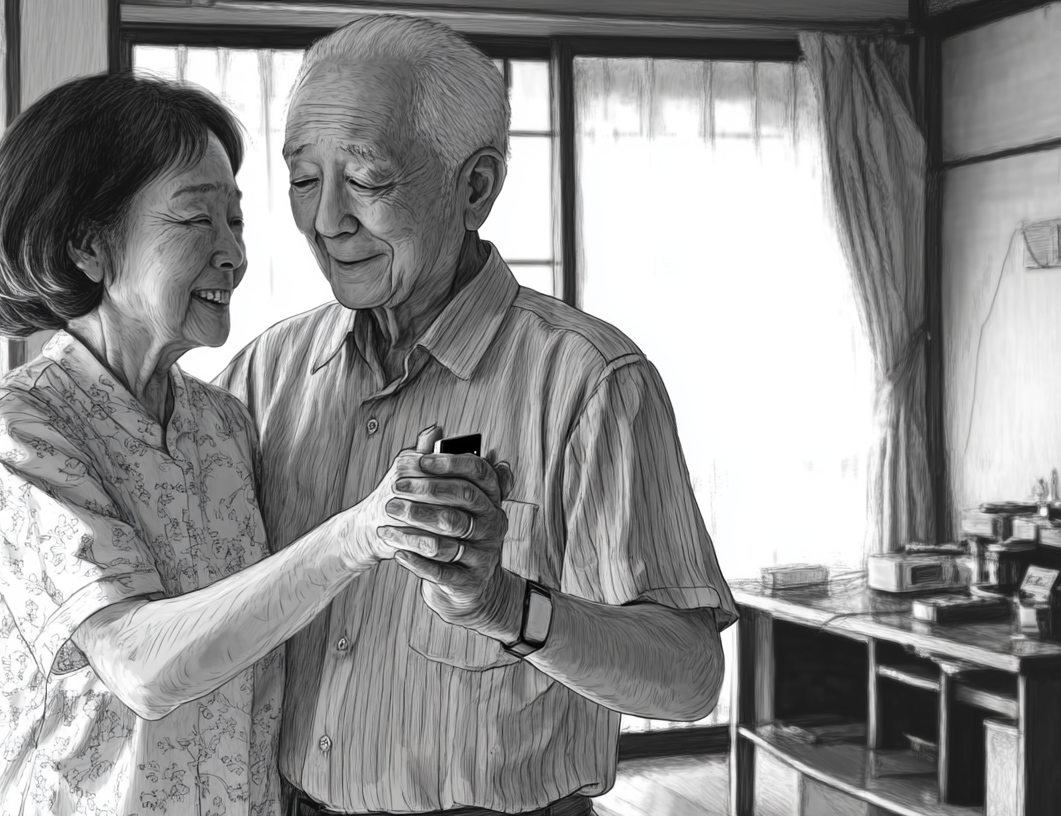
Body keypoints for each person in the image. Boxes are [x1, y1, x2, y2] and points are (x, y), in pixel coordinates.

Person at [213, 15, 739, 816]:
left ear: (476, 188)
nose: (326, 221)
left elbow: (690, 678)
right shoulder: (265, 373)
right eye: (301, 178)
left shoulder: (589, 381)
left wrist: (502, 603)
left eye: (366, 178)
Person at [0, 71, 505, 816]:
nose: (232, 253)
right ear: (88, 246)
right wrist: (358, 533)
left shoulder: (224, 424)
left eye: (234, 221)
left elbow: (274, 632)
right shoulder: (16, 434)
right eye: (194, 221)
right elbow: (141, 666)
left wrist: (443, 525)